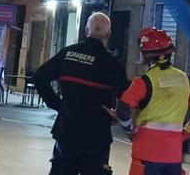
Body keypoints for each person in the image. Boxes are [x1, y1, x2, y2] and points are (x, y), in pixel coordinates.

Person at [33, 12, 130, 175]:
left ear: (86, 30)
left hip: (67, 129)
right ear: (108, 34)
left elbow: (39, 77)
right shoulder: (111, 62)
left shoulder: (67, 53)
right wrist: (119, 117)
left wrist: (57, 104)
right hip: (96, 133)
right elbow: (126, 95)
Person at [117, 28, 190, 175]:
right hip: (173, 156)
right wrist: (186, 132)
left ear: (145, 55)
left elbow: (123, 109)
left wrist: (129, 130)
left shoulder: (143, 81)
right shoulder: (187, 80)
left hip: (145, 154)